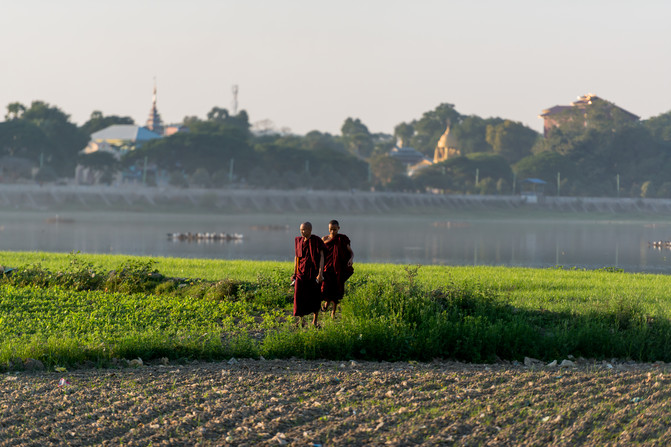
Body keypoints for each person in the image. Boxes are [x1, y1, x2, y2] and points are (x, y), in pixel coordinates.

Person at [292, 221, 326, 327]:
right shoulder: (298, 241)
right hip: (301, 274)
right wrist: (294, 273)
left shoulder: (316, 241)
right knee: (299, 296)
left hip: (313, 274)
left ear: (310, 230)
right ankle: (301, 320)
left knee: (315, 297)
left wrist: (320, 273)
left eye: (304, 229)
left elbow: (322, 257)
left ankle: (314, 321)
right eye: (301, 229)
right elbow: (297, 258)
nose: (302, 231)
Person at [321, 219, 354, 318]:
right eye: (331, 229)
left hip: (338, 269)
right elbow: (320, 254)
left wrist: (351, 259)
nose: (332, 232)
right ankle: (326, 304)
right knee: (325, 288)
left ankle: (333, 313)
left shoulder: (342, 239)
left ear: (338, 228)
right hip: (327, 268)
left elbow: (351, 252)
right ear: (328, 228)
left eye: (334, 229)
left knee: (336, 289)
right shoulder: (324, 239)